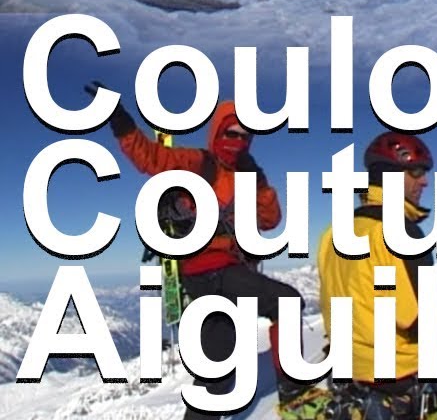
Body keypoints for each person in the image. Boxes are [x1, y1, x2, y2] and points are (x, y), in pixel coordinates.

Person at [95, 88, 326, 420]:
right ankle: (294, 393)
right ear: (218, 132)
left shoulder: (247, 175)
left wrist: (258, 180)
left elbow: (271, 219)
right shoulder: (196, 163)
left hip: (221, 275)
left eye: (246, 137)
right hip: (209, 268)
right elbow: (151, 158)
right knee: (286, 302)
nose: (239, 141)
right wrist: (121, 122)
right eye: (232, 133)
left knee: (216, 371)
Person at [318, 131, 437, 420]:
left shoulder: (333, 233)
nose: (425, 181)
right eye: (416, 171)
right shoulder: (399, 232)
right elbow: (421, 321)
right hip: (397, 376)